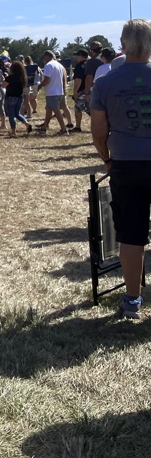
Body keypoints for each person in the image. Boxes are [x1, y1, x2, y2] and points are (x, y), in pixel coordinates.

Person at [89, 19, 151, 319]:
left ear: (123, 44)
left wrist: (107, 159)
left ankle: (132, 299)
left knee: (131, 235)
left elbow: (98, 132)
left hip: (126, 165)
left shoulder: (105, 83)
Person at [36, 50, 68, 135]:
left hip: (52, 92)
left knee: (56, 112)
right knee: (49, 110)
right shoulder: (59, 65)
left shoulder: (48, 65)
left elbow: (46, 80)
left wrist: (40, 85)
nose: (44, 59)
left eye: (44, 57)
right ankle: (44, 127)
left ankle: (64, 129)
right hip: (59, 91)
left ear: (47, 56)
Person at [3, 59, 32, 136]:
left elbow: (3, 85)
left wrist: (6, 77)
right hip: (19, 97)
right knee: (17, 114)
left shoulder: (11, 77)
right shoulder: (23, 78)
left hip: (10, 97)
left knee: (11, 115)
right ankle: (26, 124)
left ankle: (13, 131)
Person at [71, 49, 90, 132]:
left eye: (77, 55)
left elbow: (78, 79)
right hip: (91, 89)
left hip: (82, 90)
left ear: (81, 55)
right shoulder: (90, 64)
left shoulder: (79, 66)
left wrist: (75, 92)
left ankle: (78, 127)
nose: (76, 57)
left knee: (78, 108)